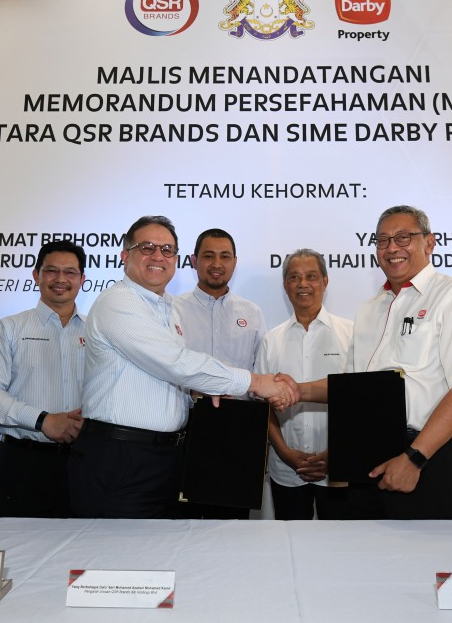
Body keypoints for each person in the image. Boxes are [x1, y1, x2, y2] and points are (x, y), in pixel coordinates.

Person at [68, 215, 297, 519]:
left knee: (162, 559)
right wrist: (254, 382)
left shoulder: (166, 309)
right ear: (125, 255)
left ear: (176, 260)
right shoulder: (118, 302)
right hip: (121, 455)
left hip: (163, 456)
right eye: (147, 247)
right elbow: (174, 362)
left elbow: (166, 375)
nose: (158, 256)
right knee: (118, 560)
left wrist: (198, 390)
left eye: (167, 250)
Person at [296, 205, 452, 519]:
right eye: (382, 240)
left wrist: (414, 458)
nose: (392, 247)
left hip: (431, 454)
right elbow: (354, 389)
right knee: (371, 559)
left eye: (403, 238)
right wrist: (295, 390)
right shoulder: (370, 308)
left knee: (429, 561)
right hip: (368, 455)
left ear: (429, 243)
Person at [0, 240, 87, 518]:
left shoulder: (99, 332)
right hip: (22, 462)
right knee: (18, 553)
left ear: (82, 279)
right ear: (36, 275)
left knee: (82, 552)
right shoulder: (10, 328)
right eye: (51, 271)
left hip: (86, 462)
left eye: (70, 272)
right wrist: (43, 420)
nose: (60, 279)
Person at [173, 228, 266, 519]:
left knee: (232, 532)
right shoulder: (172, 309)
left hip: (237, 434)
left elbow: (258, 374)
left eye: (225, 256)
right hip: (183, 430)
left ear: (235, 262)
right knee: (179, 527)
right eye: (208, 256)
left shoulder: (251, 313)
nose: (217, 264)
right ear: (193, 260)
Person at [257, 249, 352, 520]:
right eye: (294, 277)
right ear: (285, 285)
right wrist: (286, 453)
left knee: (341, 550)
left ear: (325, 281)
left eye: (311, 276)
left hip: (339, 467)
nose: (303, 284)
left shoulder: (351, 334)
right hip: (286, 469)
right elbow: (263, 408)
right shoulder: (270, 341)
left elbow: (358, 403)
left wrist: (334, 453)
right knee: (289, 548)